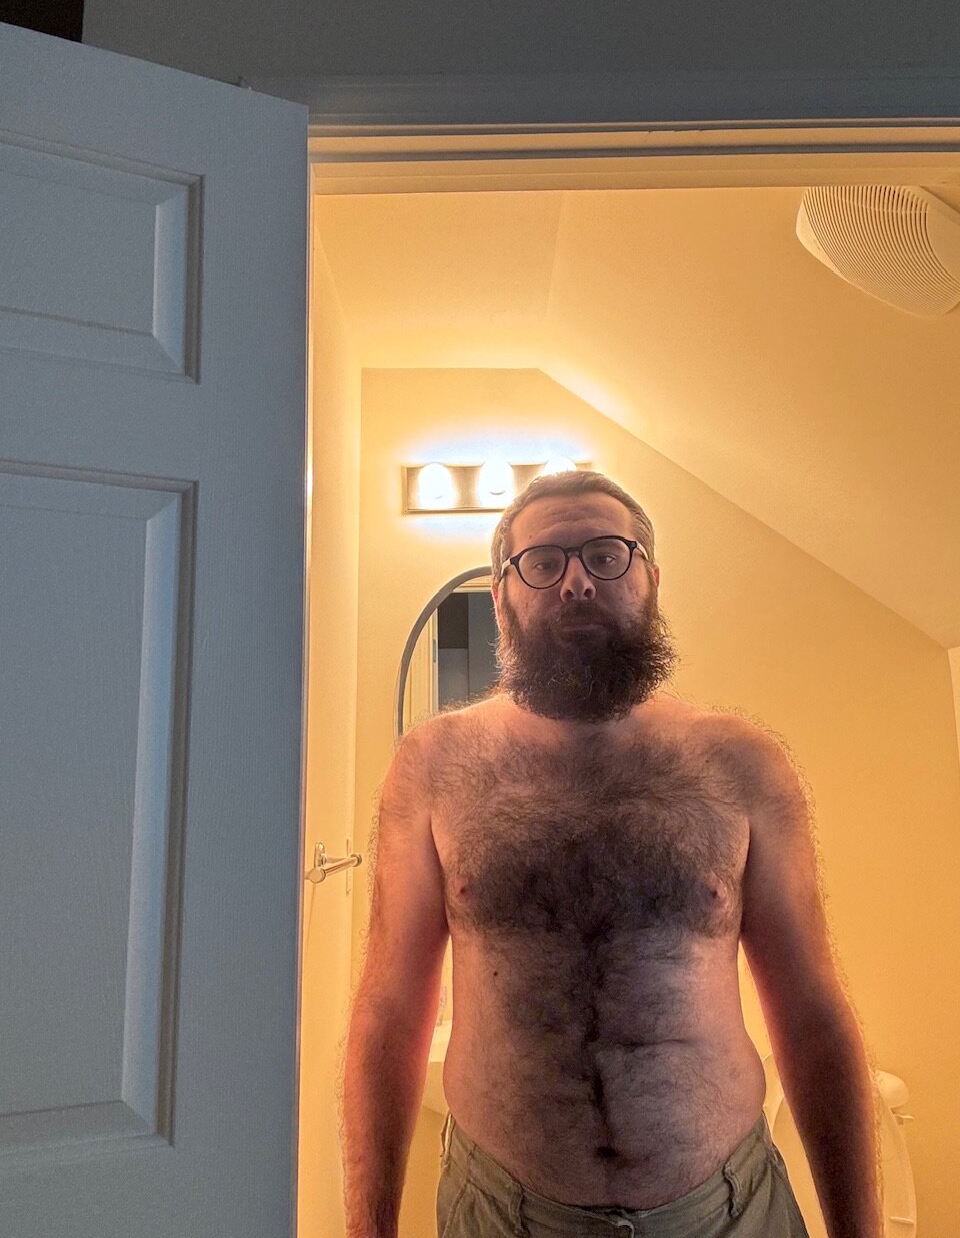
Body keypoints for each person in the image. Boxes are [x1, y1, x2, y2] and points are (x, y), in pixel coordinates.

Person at [341, 470, 883, 1238]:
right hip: (503, 1216)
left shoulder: (742, 765)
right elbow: (389, 1013)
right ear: (501, 594)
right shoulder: (435, 766)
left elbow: (812, 1014)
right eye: (543, 562)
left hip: (727, 1214)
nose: (576, 583)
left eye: (605, 555)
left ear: (650, 578)